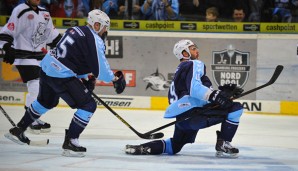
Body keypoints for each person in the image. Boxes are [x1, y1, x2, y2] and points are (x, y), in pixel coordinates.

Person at [4, 9, 126, 157]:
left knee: (45, 102)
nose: (106, 31)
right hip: (61, 75)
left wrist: (84, 76)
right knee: (88, 105)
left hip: (46, 68)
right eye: (105, 27)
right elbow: (101, 70)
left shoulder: (75, 29)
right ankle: (71, 142)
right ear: (96, 25)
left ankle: (19, 129)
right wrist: (114, 79)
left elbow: (74, 57)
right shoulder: (94, 39)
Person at [125, 39, 244, 158]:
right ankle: (223, 143)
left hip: (182, 119)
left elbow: (194, 93)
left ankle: (140, 148)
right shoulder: (193, 64)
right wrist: (216, 96)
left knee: (175, 146)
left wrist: (222, 94)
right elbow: (194, 89)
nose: (197, 50)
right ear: (185, 53)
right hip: (193, 114)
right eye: (193, 48)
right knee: (236, 108)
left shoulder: (181, 69)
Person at [0, 0, 62, 134]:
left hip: (40, 57)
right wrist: (6, 46)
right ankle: (31, 120)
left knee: (45, 88)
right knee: (35, 84)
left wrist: (63, 46)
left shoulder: (45, 13)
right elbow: (9, 30)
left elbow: (52, 34)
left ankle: (33, 117)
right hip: (24, 57)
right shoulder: (21, 10)